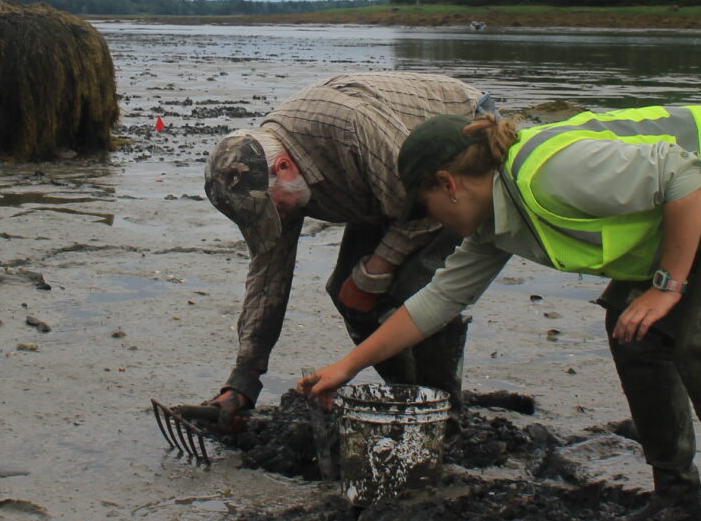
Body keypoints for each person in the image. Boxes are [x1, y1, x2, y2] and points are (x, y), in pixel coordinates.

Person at [297, 104, 701, 521]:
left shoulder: (549, 171)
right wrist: (347, 367)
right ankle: (677, 494)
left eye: (423, 205)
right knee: (632, 327)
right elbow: (436, 301)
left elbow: (681, 174)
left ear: (448, 184)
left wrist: (667, 285)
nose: (425, 219)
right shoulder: (497, 222)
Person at [180, 72, 494, 433]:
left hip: (457, 150)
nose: (277, 218)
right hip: (382, 185)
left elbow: (423, 213)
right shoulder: (273, 182)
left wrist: (376, 269)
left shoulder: (350, 128)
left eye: (275, 209)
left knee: (410, 287)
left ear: (283, 168)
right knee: (347, 293)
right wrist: (242, 382)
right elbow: (268, 279)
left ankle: (444, 410)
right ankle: (407, 395)